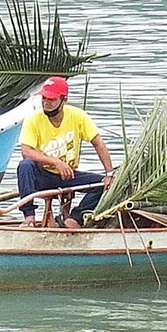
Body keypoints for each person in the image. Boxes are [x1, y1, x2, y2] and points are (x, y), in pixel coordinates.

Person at [17, 76, 114, 228]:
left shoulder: (78, 116)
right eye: (44, 98)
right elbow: (26, 151)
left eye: (51, 99)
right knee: (25, 166)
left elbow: (98, 143)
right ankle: (29, 216)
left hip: (68, 175)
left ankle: (75, 218)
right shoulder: (33, 119)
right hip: (43, 174)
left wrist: (109, 174)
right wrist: (55, 162)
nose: (46, 103)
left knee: (103, 185)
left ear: (64, 100)